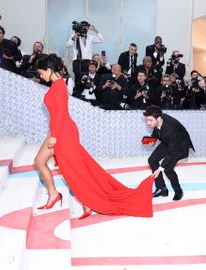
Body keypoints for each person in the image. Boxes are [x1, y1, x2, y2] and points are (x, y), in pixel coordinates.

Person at [33, 54, 154, 219]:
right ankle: (56, 195)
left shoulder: (59, 85)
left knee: (73, 170)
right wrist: (52, 134)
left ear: (49, 69)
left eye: (41, 72)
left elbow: (61, 114)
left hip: (62, 132)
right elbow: (56, 115)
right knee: (46, 163)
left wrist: (54, 136)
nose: (40, 76)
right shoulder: (56, 85)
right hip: (58, 131)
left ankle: (85, 201)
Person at [145, 105, 194, 201]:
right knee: (152, 160)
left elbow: (172, 152)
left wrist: (160, 168)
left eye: (150, 120)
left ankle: (178, 191)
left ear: (158, 118)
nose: (148, 123)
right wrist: (153, 139)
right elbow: (157, 130)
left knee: (168, 169)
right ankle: (161, 189)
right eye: (147, 120)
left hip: (179, 147)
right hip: (168, 142)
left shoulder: (170, 129)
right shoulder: (159, 119)